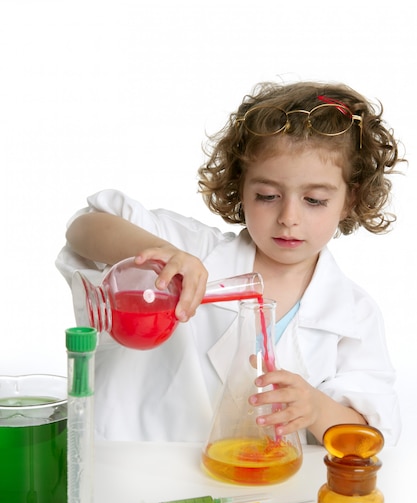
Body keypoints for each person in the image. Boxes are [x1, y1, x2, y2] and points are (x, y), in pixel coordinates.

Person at [56, 80, 403, 446]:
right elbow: (85, 227)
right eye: (267, 195)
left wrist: (315, 408)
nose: (288, 217)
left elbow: (373, 435)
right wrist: (161, 251)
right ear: (241, 188)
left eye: (314, 200)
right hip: (137, 469)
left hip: (265, 493)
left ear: (350, 200)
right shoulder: (194, 250)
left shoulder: (354, 316)